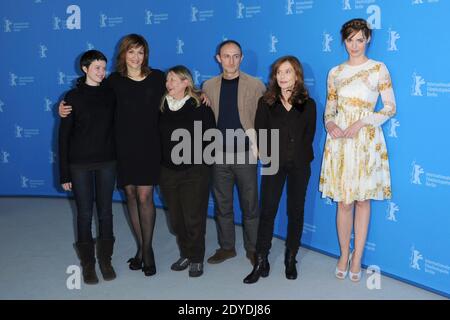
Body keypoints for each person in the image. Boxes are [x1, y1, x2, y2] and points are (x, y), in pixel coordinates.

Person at [60, 34, 166, 277]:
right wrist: (65, 105)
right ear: (123, 54)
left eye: (140, 52)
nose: (136, 57)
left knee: (145, 195)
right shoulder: (113, 81)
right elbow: (89, 92)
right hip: (122, 148)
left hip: (150, 146)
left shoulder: (158, 77)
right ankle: (140, 249)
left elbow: (179, 91)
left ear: (145, 54)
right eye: (131, 52)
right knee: (130, 194)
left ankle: (147, 252)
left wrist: (200, 95)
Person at [319, 18, 396, 282]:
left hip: (365, 140)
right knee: (344, 201)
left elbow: (389, 108)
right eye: (350, 39)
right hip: (340, 141)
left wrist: (362, 122)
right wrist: (330, 123)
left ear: (368, 39)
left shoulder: (378, 69)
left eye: (360, 39)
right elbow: (330, 108)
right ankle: (343, 253)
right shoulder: (335, 72)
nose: (354, 45)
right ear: (344, 41)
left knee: (363, 200)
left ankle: (358, 256)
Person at [243, 56, 316, 284]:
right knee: (268, 211)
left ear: (297, 75)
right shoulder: (266, 102)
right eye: (279, 72)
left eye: (287, 72)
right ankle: (261, 260)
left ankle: (290, 257)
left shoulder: (309, 104)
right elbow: (261, 132)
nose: (282, 77)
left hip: (300, 166)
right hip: (273, 164)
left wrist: (294, 156)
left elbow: (308, 136)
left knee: (296, 211)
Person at [202, 40, 266, 266]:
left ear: (241, 58)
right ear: (218, 58)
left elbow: (263, 118)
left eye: (235, 56)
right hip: (218, 154)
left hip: (246, 154)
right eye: (226, 56)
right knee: (223, 205)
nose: (231, 60)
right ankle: (226, 247)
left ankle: (253, 248)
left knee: (250, 205)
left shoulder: (256, 85)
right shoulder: (208, 85)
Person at [58, 50, 117, 284]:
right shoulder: (71, 97)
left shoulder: (111, 94)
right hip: (79, 164)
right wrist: (64, 173)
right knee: (84, 214)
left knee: (105, 213)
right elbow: (63, 138)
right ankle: (88, 263)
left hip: (107, 162)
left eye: (104, 68)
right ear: (85, 69)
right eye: (97, 68)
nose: (102, 72)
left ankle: (105, 260)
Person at [158, 65, 216, 277]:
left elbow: (210, 138)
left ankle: (196, 258)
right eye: (167, 80)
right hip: (168, 172)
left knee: (193, 217)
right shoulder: (162, 106)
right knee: (176, 219)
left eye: (173, 80)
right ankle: (185, 252)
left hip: (195, 172)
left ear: (186, 83)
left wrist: (202, 167)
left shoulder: (200, 106)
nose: (168, 84)